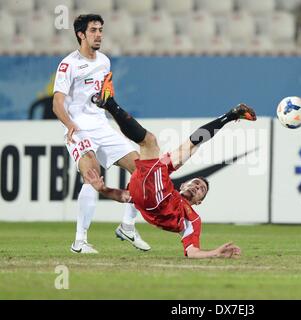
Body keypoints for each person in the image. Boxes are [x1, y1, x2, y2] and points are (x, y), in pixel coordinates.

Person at [85, 72, 257, 258]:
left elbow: (192, 252)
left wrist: (215, 253)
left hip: (157, 199)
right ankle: (229, 116)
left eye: (201, 190)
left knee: (150, 142)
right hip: (149, 192)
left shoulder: (193, 218)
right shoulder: (165, 175)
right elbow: (127, 196)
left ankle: (108, 102)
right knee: (187, 146)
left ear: (199, 201)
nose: (197, 186)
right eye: (196, 183)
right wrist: (103, 190)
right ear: (182, 184)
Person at [52, 14, 150, 254]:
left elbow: (104, 96)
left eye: (100, 30)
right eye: (93, 30)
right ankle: (80, 241)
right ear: (81, 34)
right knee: (92, 175)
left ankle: (127, 226)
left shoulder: (105, 61)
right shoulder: (69, 64)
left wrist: (106, 102)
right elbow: (57, 103)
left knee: (143, 169)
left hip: (101, 126)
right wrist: (70, 125)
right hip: (79, 128)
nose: (99, 34)